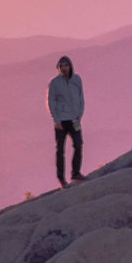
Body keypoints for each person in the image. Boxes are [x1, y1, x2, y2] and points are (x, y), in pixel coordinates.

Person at [48, 55, 84, 185]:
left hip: (74, 119)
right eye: (61, 66)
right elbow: (50, 102)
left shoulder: (77, 79)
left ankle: (76, 173)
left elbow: (81, 98)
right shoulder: (54, 83)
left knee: (78, 145)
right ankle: (61, 179)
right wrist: (56, 120)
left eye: (65, 65)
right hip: (61, 121)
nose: (63, 68)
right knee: (60, 150)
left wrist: (79, 114)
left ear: (70, 66)